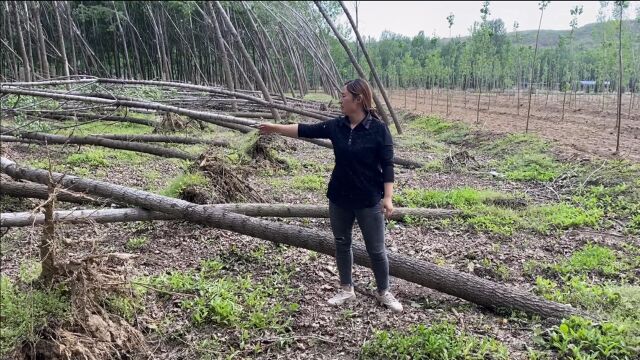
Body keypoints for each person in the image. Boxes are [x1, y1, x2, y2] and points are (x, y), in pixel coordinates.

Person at [258, 79, 402, 312]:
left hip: (368, 200)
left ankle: (384, 292)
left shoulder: (378, 129)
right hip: (339, 198)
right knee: (342, 243)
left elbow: (387, 165)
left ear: (359, 99)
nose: (340, 99)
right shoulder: (337, 126)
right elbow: (304, 130)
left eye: (344, 96)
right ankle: (346, 289)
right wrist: (275, 128)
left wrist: (388, 197)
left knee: (376, 249)